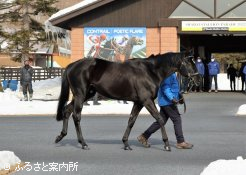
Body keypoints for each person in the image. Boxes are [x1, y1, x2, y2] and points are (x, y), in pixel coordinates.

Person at [137, 73, 193, 149]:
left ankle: (144, 136)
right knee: (177, 119)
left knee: (161, 121)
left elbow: (173, 87)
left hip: (166, 101)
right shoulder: (168, 73)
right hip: (167, 102)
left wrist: (179, 96)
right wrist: (172, 98)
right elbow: (165, 87)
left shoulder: (173, 73)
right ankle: (180, 142)